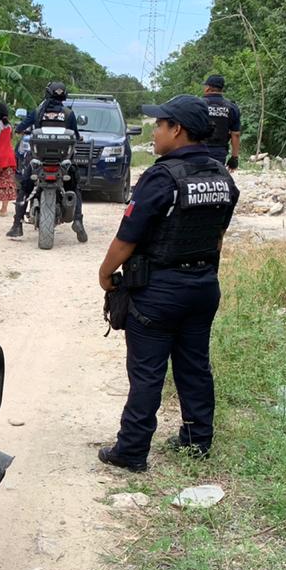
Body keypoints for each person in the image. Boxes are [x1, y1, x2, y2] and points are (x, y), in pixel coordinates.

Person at [97, 94, 239, 472]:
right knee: (195, 365)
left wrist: (105, 274)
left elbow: (127, 237)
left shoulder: (162, 177)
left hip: (159, 290)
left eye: (159, 124)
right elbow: (219, 234)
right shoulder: (222, 176)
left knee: (147, 372)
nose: (154, 131)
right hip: (203, 285)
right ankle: (197, 440)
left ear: (177, 130)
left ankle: (130, 451)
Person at [7, 81, 87, 242]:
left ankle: (17, 224)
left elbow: (20, 128)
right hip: (63, 163)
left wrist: (23, 129)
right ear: (64, 96)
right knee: (75, 187)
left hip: (39, 162)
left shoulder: (38, 111)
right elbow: (76, 135)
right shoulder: (68, 113)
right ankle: (78, 220)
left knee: (24, 187)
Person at [202, 74, 241, 171]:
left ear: (208, 88)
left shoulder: (198, 104)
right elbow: (235, 134)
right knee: (216, 180)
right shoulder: (232, 107)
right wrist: (234, 158)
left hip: (198, 150)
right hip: (219, 152)